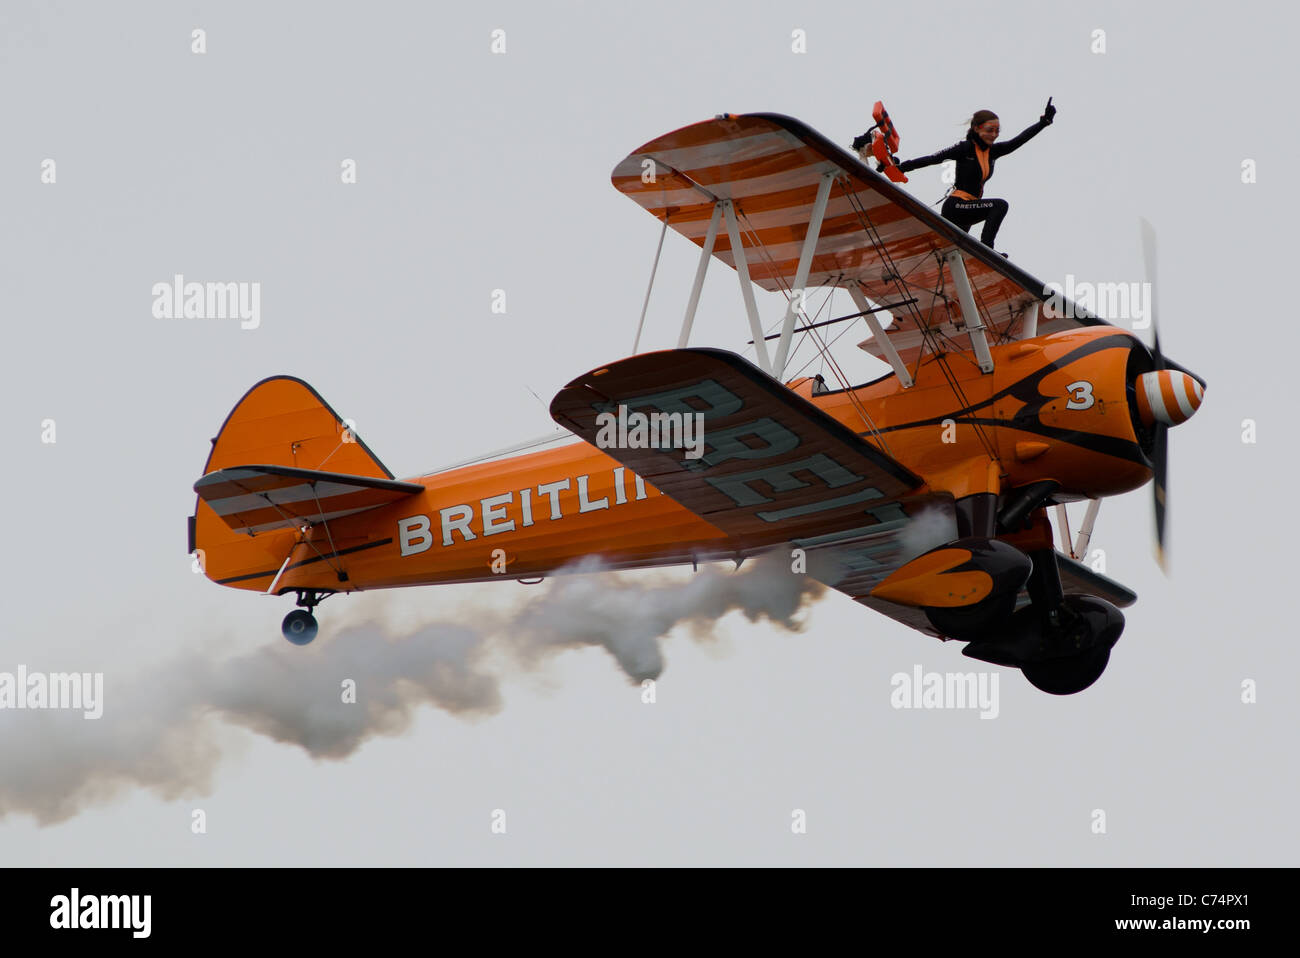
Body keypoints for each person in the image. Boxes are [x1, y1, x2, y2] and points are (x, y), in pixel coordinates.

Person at [866, 98, 1056, 253]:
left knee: (955, 253)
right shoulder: (965, 148)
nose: (994, 135)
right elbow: (934, 158)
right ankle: (987, 249)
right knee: (999, 205)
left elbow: (1018, 141)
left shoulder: (993, 152)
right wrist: (902, 167)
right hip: (956, 207)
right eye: (990, 130)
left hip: (968, 211)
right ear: (976, 129)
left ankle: (980, 254)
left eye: (997, 131)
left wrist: (1043, 123)